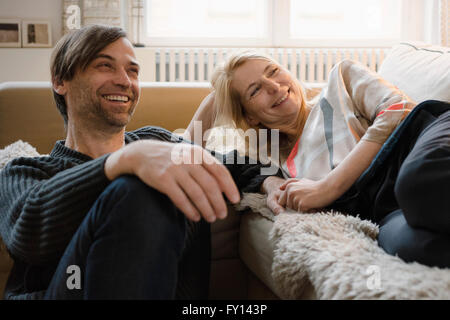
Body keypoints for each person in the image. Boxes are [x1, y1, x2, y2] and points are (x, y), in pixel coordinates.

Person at [0, 26, 277, 299]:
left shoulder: (160, 145)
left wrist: (272, 182)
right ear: (60, 80)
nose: (124, 80)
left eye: (132, 71)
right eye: (104, 66)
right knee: (138, 188)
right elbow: (28, 233)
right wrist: (125, 161)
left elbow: (230, 165)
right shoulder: (25, 170)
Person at [188, 51, 450, 268]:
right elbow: (190, 153)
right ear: (250, 117)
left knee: (417, 185)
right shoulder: (278, 163)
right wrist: (217, 98)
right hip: (388, 207)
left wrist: (328, 187)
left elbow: (398, 109)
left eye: (273, 71)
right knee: (408, 246)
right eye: (255, 91)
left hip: (425, 140)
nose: (273, 86)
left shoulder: (341, 79)